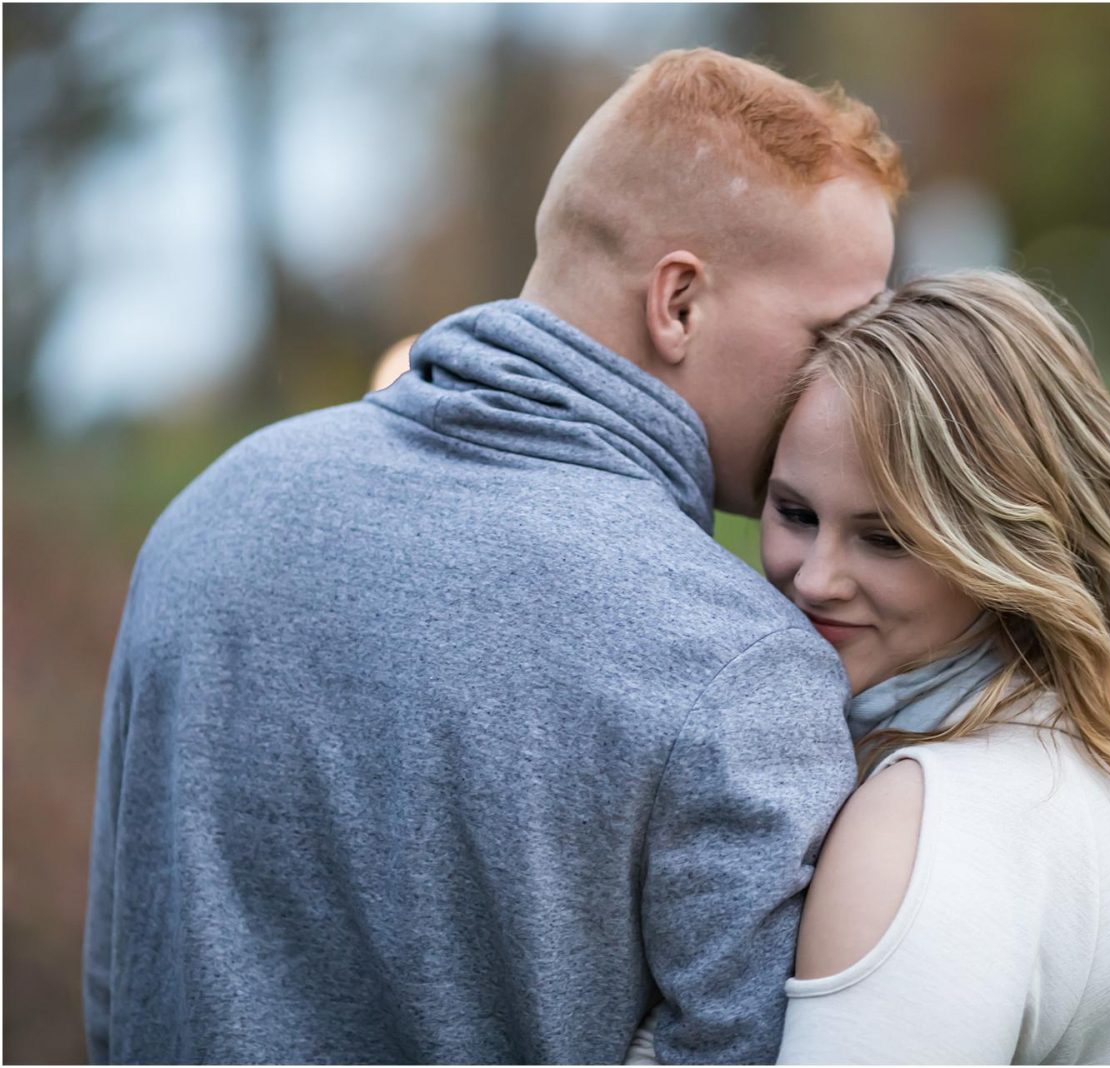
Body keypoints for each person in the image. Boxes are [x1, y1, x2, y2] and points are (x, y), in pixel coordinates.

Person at [83, 49, 902, 1064]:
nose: (865, 381)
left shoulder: (210, 516)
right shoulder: (737, 665)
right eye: (837, 334)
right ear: (679, 304)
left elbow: (120, 985)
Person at [634, 270, 1110, 1063]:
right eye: (795, 513)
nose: (815, 578)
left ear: (1010, 542)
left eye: (888, 537)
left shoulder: (926, 822)